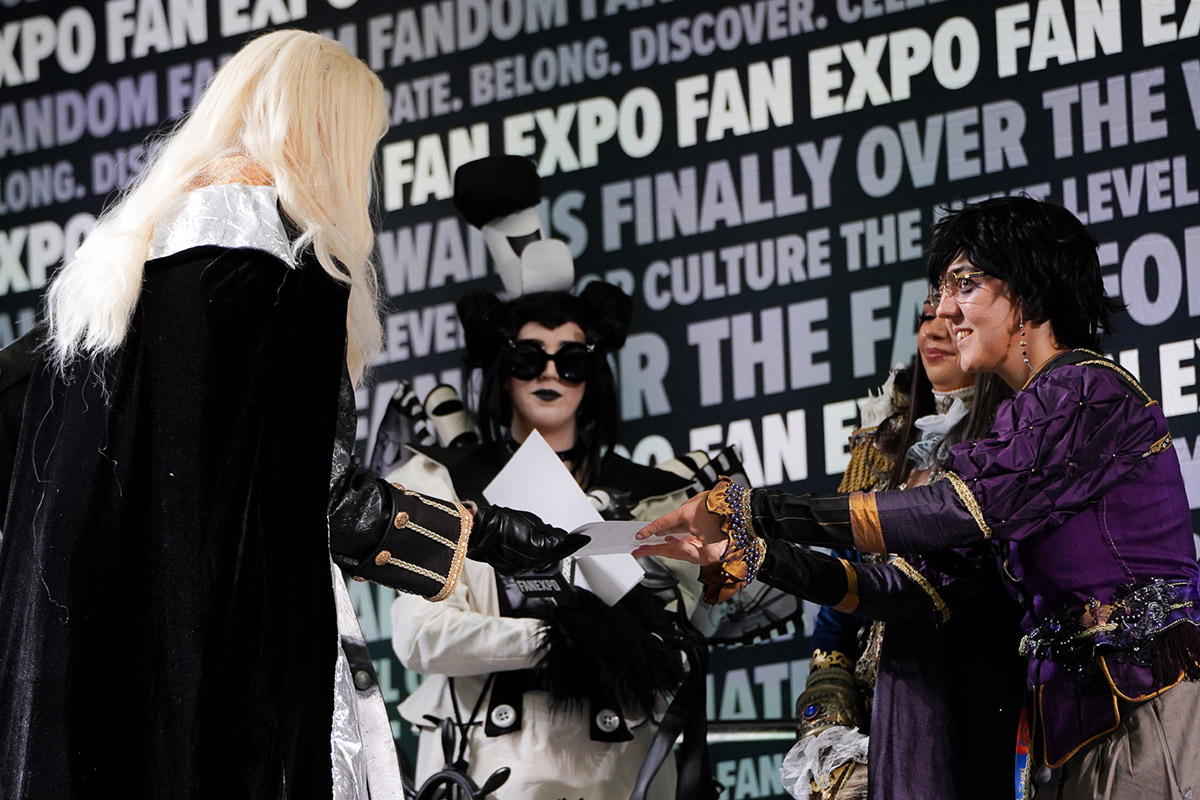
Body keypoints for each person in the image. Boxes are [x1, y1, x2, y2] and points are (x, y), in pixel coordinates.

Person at [0, 30, 579, 800]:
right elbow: (318, 497)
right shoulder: (279, 269)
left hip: (83, 695)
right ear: (326, 137)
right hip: (226, 699)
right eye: (361, 146)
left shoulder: (118, 270)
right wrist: (481, 537)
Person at [637, 196, 1200, 799]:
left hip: (1154, 712)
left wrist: (754, 508)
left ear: (1029, 293)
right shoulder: (1020, 427)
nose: (947, 309)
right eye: (942, 287)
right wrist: (755, 554)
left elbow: (947, 510)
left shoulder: (1086, 390)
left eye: (965, 283)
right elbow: (917, 590)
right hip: (1072, 737)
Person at [391, 284, 714, 800]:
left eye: (571, 361)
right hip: (486, 764)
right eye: (528, 358)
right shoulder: (443, 483)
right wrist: (554, 635)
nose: (549, 374)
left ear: (594, 376)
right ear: (503, 368)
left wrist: (624, 639)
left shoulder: (654, 498)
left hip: (621, 769)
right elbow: (421, 636)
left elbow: (676, 655)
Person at [784, 302, 1023, 800]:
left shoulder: (1014, 434)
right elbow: (840, 593)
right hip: (880, 707)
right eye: (926, 315)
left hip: (981, 703)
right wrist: (829, 725)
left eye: (953, 318)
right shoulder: (879, 442)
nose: (934, 330)